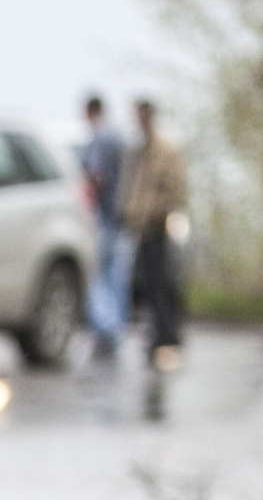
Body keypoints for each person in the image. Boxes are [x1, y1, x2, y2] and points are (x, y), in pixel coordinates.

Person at [122, 96, 190, 373]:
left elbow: (173, 190)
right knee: (147, 284)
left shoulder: (165, 150)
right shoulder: (141, 150)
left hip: (158, 226)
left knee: (162, 282)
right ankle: (156, 334)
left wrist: (151, 213)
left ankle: (167, 335)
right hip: (141, 227)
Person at [77, 94, 131, 360]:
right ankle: (118, 327)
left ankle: (105, 330)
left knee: (99, 274)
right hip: (121, 214)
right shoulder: (119, 137)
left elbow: (96, 176)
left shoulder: (99, 138)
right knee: (116, 275)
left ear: (90, 111)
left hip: (103, 216)